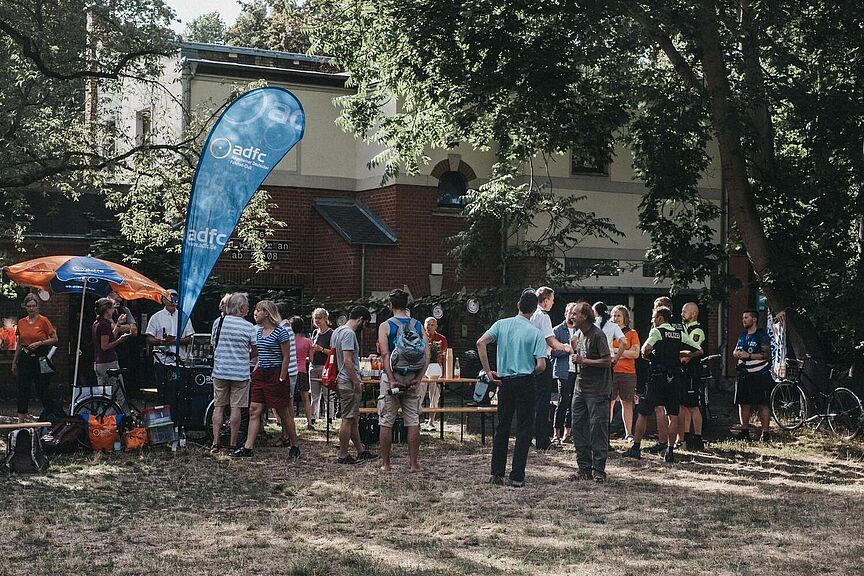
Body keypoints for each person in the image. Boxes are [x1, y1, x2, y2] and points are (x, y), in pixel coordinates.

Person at [477, 289, 547, 488]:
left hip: (505, 380)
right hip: (525, 380)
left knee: (503, 427)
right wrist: (532, 371)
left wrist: (488, 371)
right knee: (524, 429)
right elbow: (541, 365)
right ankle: (516, 476)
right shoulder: (535, 333)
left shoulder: (502, 324)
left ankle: (496, 473)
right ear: (534, 311)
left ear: (518, 305)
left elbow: (481, 342)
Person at [624, 307, 697, 463]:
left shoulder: (656, 332)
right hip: (675, 378)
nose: (652, 320)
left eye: (654, 317)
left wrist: (650, 357)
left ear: (660, 319)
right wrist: (681, 355)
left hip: (657, 378)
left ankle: (635, 448)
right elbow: (698, 349)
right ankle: (670, 451)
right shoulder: (679, 333)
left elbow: (645, 350)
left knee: (643, 412)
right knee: (673, 415)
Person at [232, 300, 299, 458]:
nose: (255, 313)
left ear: (267, 313)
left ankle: (294, 444)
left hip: (276, 374)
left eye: (258, 310)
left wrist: (282, 378)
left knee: (283, 412)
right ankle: (248, 448)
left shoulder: (281, 332)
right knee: (254, 410)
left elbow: (286, 357)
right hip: (261, 373)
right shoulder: (258, 332)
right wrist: (255, 372)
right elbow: (260, 355)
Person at [378, 288, 429, 472]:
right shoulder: (417, 325)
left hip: (393, 378)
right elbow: (427, 354)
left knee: (386, 421)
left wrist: (391, 380)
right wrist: (418, 378)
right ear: (406, 305)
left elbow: (385, 354)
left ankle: (386, 464)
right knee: (413, 420)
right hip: (412, 378)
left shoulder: (385, 326)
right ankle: (414, 464)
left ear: (390, 305)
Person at [568, 302, 612, 482]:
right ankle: (584, 468)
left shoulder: (597, 335)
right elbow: (578, 354)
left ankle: (599, 471)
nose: (572, 317)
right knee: (578, 427)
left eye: (575, 314)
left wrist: (584, 360)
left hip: (597, 390)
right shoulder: (579, 334)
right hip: (580, 388)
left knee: (597, 428)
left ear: (585, 316)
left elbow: (607, 361)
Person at [210, 292, 256, 452]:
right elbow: (254, 350)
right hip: (240, 372)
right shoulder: (249, 327)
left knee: (219, 406)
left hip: (220, 370)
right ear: (242, 309)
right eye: (247, 307)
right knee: (236, 408)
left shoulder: (219, 322)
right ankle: (233, 443)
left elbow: (213, 343)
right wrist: (244, 355)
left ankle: (215, 442)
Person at [333, 306, 377, 464]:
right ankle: (343, 455)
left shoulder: (337, 331)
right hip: (348, 381)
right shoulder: (349, 334)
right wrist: (356, 381)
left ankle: (361, 451)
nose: (363, 328)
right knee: (347, 419)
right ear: (360, 319)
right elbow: (347, 360)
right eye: (364, 324)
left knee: (353, 419)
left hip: (340, 379)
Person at [530, 286, 571, 450]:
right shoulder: (543, 317)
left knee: (532, 401)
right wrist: (566, 347)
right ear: (545, 301)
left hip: (529, 361)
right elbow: (550, 340)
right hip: (542, 359)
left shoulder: (531, 315)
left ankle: (529, 437)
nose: (553, 303)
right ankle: (542, 440)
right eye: (552, 300)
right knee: (542, 401)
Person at [11, 293, 59, 422]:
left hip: (40, 355)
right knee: (23, 388)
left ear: (37, 307)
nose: (31, 309)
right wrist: (14, 361)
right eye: (29, 306)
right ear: (25, 307)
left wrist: (40, 343)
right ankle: (21, 418)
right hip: (25, 356)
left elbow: (55, 339)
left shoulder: (43, 321)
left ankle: (50, 416)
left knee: (42, 388)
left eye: (33, 306)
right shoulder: (21, 322)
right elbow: (20, 343)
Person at [144, 289, 194, 401]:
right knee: (163, 392)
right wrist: (161, 341)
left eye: (174, 298)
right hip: (162, 361)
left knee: (180, 392)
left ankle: (178, 416)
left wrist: (176, 341)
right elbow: (149, 339)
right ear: (163, 300)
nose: (172, 301)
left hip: (180, 360)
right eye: (169, 298)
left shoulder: (183, 317)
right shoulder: (156, 317)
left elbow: (190, 338)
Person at [733, 310, 773, 442]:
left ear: (754, 319)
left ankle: (765, 433)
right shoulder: (743, 335)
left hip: (759, 373)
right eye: (743, 318)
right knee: (743, 403)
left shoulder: (761, 335)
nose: (743, 320)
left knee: (762, 403)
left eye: (746, 317)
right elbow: (737, 349)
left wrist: (749, 356)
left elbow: (767, 355)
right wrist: (736, 353)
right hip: (744, 374)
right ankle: (744, 430)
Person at [92, 297, 132, 410]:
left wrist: (118, 324)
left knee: (104, 394)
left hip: (98, 362)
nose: (114, 311)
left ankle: (103, 418)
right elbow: (105, 346)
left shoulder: (97, 323)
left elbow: (110, 337)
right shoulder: (104, 325)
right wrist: (120, 340)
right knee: (118, 393)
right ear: (106, 310)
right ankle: (122, 417)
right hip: (108, 362)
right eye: (112, 308)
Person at [678, 302, 706, 450]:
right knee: (684, 405)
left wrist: (677, 353)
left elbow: (689, 351)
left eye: (685, 311)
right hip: (683, 371)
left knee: (693, 405)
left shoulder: (697, 330)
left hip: (692, 371)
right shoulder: (683, 329)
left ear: (693, 314)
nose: (682, 314)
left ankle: (698, 437)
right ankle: (686, 435)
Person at [610, 304, 640, 441]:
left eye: (619, 315)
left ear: (625, 317)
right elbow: (606, 352)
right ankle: (606, 430)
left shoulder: (632, 333)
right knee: (609, 402)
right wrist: (623, 353)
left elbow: (636, 353)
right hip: (611, 372)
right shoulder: (609, 332)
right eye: (614, 315)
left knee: (627, 402)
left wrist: (616, 352)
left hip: (628, 373)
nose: (616, 318)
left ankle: (628, 433)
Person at [551, 302, 578, 446]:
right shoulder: (557, 330)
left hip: (577, 371)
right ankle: (556, 433)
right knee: (562, 401)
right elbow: (551, 352)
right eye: (570, 313)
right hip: (563, 370)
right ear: (565, 314)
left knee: (574, 403)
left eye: (575, 313)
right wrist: (566, 350)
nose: (572, 316)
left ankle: (569, 432)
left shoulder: (581, 330)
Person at [422, 316, 448, 431]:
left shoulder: (441, 338)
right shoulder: (420, 337)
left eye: (432, 324)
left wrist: (445, 373)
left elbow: (445, 356)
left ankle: (431, 421)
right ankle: (415, 422)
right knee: (419, 394)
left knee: (435, 395)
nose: (430, 326)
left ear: (436, 326)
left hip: (436, 369)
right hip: (422, 369)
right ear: (424, 325)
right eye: (428, 324)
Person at [289, 316, 315, 429]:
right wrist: (303, 358)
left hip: (290, 370)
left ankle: (290, 422)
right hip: (302, 371)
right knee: (305, 398)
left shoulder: (288, 341)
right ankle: (310, 422)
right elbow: (311, 359)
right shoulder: (307, 342)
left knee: (290, 398)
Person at [308, 308, 333, 426]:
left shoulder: (331, 333)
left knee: (327, 393)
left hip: (325, 366)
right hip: (313, 365)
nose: (317, 320)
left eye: (319, 318)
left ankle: (330, 417)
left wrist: (321, 349)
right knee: (314, 394)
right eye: (315, 318)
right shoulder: (314, 333)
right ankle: (313, 417)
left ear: (325, 319)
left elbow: (333, 352)